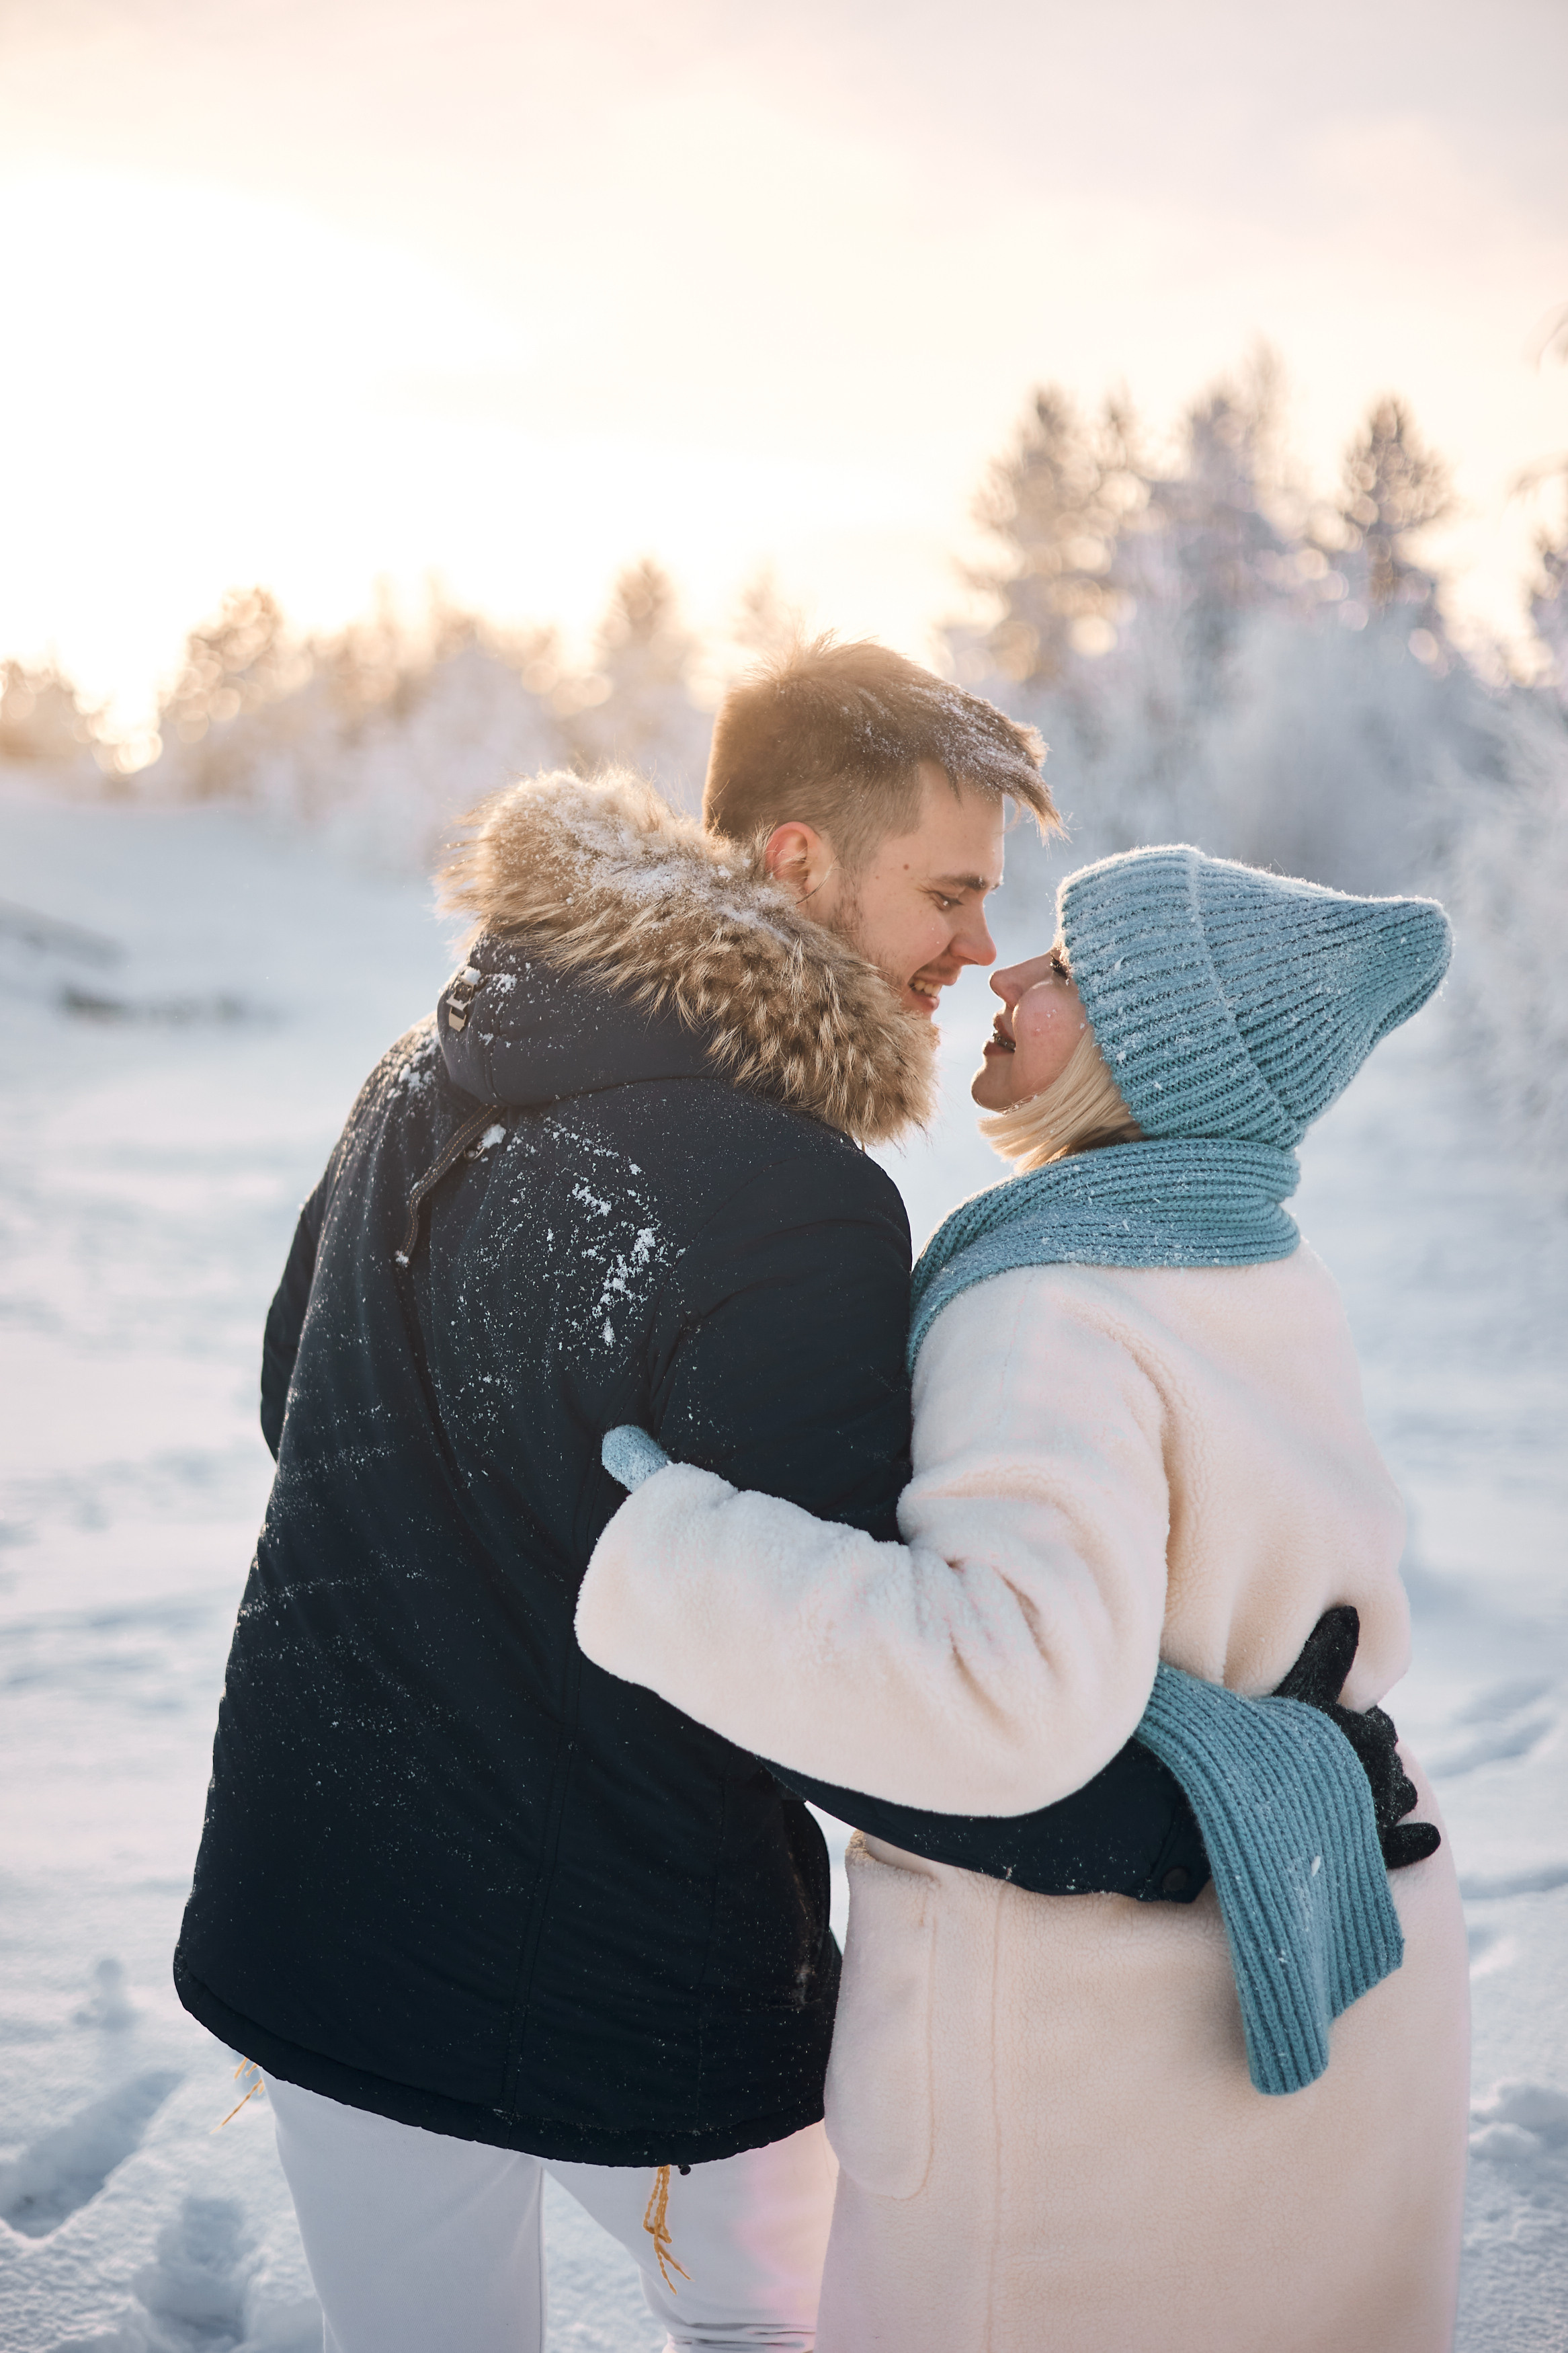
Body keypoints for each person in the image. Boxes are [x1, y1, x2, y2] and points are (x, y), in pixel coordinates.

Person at [173, 641, 1205, 2353]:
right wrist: (1189, 1819)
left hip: (317, 1923)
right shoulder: (780, 1190)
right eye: (947, 893)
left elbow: (299, 1387)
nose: (975, 948)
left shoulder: (426, 1063)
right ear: (798, 858)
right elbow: (862, 1676)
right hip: (629, 1986)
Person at [577, 844, 1473, 2352]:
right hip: (1332, 1932)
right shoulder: (1254, 1254)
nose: (1006, 971)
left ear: (1147, 1052)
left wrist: (678, 1553)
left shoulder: (1053, 1301)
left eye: (1066, 969)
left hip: (1100, 2052)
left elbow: (1001, 1690)